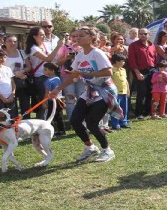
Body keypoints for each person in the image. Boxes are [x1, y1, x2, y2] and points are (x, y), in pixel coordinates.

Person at [48, 26, 118, 163]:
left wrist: (85, 74)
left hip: (104, 91)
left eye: (81, 35)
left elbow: (108, 72)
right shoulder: (80, 54)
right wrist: (58, 89)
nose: (77, 38)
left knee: (92, 123)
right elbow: (74, 75)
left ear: (91, 38)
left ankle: (107, 150)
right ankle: (90, 147)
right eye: (75, 36)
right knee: (75, 120)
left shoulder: (97, 53)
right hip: (90, 91)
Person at [25, 26, 64, 119]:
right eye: (41, 35)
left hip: (49, 75)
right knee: (44, 101)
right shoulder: (33, 48)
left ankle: (53, 122)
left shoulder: (43, 45)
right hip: (40, 76)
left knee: (52, 100)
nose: (44, 37)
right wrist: (58, 46)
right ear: (34, 36)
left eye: (44, 35)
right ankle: (42, 123)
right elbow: (48, 59)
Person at [127, 28, 156, 120]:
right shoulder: (133, 45)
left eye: (145, 34)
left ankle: (147, 111)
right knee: (141, 92)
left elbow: (154, 58)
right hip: (140, 71)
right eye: (141, 34)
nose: (143, 35)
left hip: (152, 70)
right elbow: (132, 60)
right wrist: (137, 72)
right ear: (138, 35)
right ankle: (139, 113)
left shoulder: (152, 45)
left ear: (149, 35)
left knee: (150, 92)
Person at [2, 35, 31, 118]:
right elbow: (0, 68)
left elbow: (29, 67)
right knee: (12, 106)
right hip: (8, 82)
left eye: (15, 41)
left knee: (25, 104)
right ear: (4, 42)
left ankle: (25, 123)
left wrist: (22, 71)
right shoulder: (2, 53)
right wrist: (14, 74)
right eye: (10, 41)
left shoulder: (22, 52)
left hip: (21, 81)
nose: (12, 43)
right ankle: (14, 124)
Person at [42, 63, 66, 137]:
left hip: (52, 101)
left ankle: (49, 132)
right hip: (59, 99)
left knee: (49, 117)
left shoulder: (48, 81)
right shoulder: (58, 78)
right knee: (58, 116)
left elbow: (47, 93)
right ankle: (62, 131)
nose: (44, 71)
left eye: (45, 70)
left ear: (52, 71)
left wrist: (44, 102)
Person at [110, 54, 131, 129]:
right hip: (116, 93)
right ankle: (115, 124)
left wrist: (128, 90)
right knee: (116, 109)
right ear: (116, 61)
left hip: (124, 92)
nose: (124, 62)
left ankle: (123, 122)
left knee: (124, 108)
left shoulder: (123, 70)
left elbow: (126, 81)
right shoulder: (111, 70)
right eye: (122, 61)